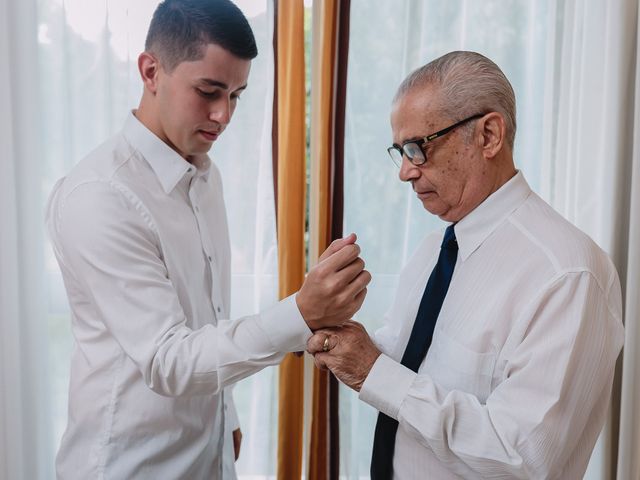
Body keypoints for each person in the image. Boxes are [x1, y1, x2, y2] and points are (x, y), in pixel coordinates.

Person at [45, 1, 370, 478]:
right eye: (209, 91)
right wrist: (302, 311)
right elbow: (167, 359)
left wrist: (226, 415)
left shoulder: (205, 175)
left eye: (236, 95)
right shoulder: (99, 196)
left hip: (206, 456)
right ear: (151, 71)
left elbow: (207, 317)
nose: (223, 115)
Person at [307, 51, 625, 479]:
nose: (404, 172)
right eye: (400, 151)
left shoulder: (567, 274)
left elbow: (523, 459)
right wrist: (334, 333)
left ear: (489, 135)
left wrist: (371, 371)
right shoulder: (432, 251)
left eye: (418, 148)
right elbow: (410, 365)